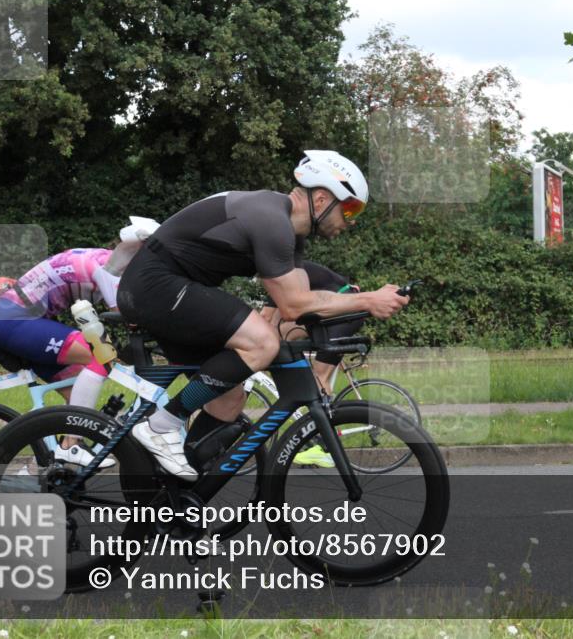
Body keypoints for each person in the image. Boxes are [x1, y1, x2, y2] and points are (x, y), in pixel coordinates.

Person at [117, 150, 408, 480]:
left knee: (229, 399)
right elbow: (294, 306)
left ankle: (175, 494)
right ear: (323, 197)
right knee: (263, 342)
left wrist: (356, 308)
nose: (351, 220)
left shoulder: (290, 236)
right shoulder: (270, 219)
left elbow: (305, 301)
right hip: (155, 285)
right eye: (351, 208)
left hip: (170, 290)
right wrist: (368, 301)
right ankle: (162, 424)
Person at [0, 217, 158, 467]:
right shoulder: (108, 270)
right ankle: (71, 445)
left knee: (75, 399)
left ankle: (49, 469)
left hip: (14, 317)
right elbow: (128, 316)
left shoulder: (106, 260)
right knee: (100, 354)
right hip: (14, 319)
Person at [259, 260, 364, 467]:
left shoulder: (277, 276)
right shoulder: (287, 270)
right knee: (281, 333)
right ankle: (294, 389)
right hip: (337, 312)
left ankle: (324, 447)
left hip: (342, 316)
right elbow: (277, 323)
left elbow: (265, 317)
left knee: (318, 377)